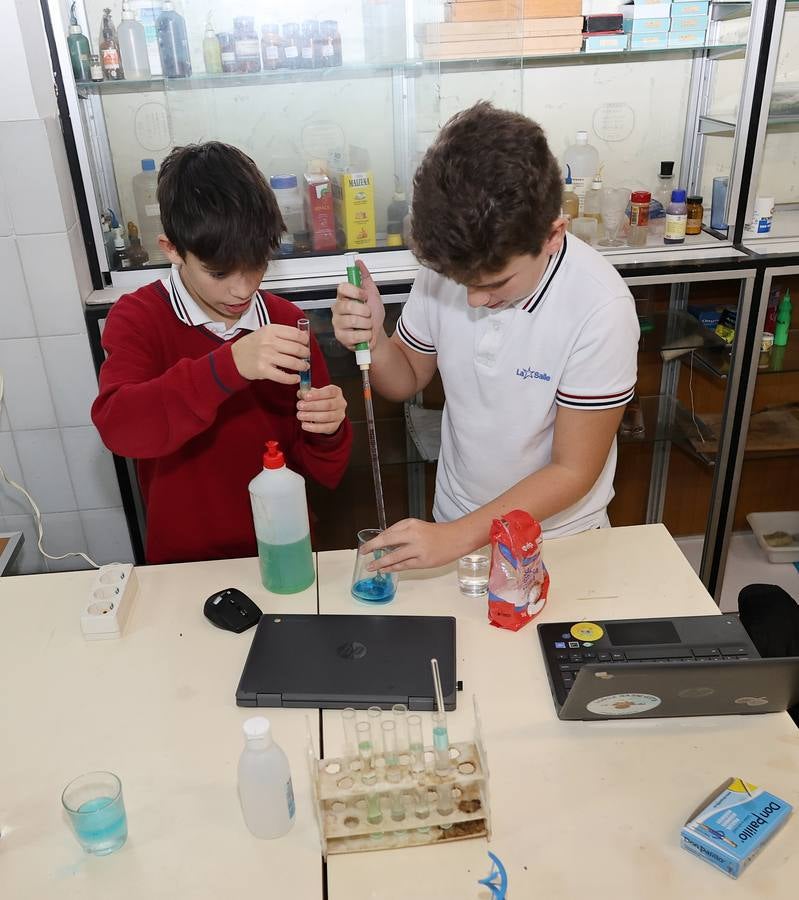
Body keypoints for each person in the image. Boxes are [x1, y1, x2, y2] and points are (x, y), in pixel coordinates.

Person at [332, 102, 639, 572]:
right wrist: (374, 340)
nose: (474, 300)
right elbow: (407, 378)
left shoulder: (600, 308)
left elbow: (573, 470)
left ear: (553, 234)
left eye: (495, 284)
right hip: (454, 521)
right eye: (462, 283)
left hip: (556, 537)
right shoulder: (452, 262)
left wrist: (456, 537)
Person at [92, 142, 352, 564]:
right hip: (182, 564)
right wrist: (228, 366)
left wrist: (329, 429)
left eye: (257, 265)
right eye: (218, 272)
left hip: (286, 552)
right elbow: (120, 428)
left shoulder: (286, 322)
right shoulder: (139, 317)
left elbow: (326, 472)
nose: (242, 289)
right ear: (172, 249)